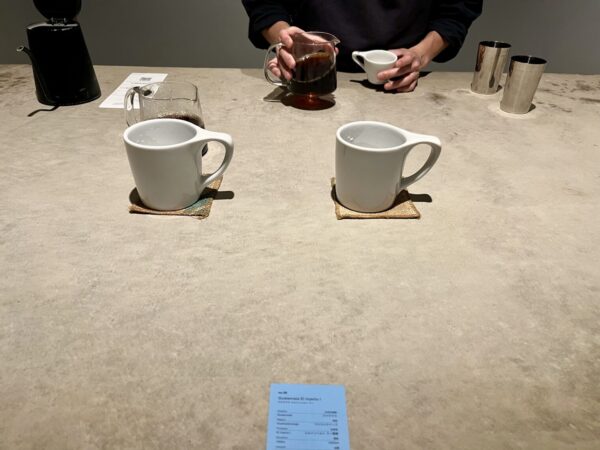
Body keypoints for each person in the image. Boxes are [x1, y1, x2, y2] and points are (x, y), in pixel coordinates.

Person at [242, 0, 483, 92]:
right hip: (310, 79)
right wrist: (286, 39)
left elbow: (458, 10)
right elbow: (265, 3)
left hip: (402, 83)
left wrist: (419, 54)